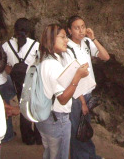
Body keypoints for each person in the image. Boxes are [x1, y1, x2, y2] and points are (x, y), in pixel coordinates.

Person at [37, 24, 89, 159]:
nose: (66, 40)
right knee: (60, 155)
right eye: (63, 37)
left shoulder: (43, 59)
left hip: (46, 115)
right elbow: (63, 98)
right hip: (57, 118)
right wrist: (77, 76)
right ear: (51, 39)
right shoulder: (53, 65)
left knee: (50, 153)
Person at [65, 15, 110, 159]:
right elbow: (70, 78)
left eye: (83, 26)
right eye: (76, 28)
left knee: (85, 127)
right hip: (77, 96)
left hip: (88, 92)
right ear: (69, 30)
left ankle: (90, 155)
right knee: (78, 130)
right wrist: (83, 101)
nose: (81, 30)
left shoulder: (86, 42)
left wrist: (93, 39)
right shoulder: (67, 49)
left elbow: (105, 57)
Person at [2, 18, 41, 145]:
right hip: (33, 79)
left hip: (17, 82)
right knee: (36, 106)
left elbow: (3, 65)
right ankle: (39, 137)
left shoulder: (6, 46)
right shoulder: (35, 45)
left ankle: (27, 138)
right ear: (29, 30)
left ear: (15, 30)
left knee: (23, 107)